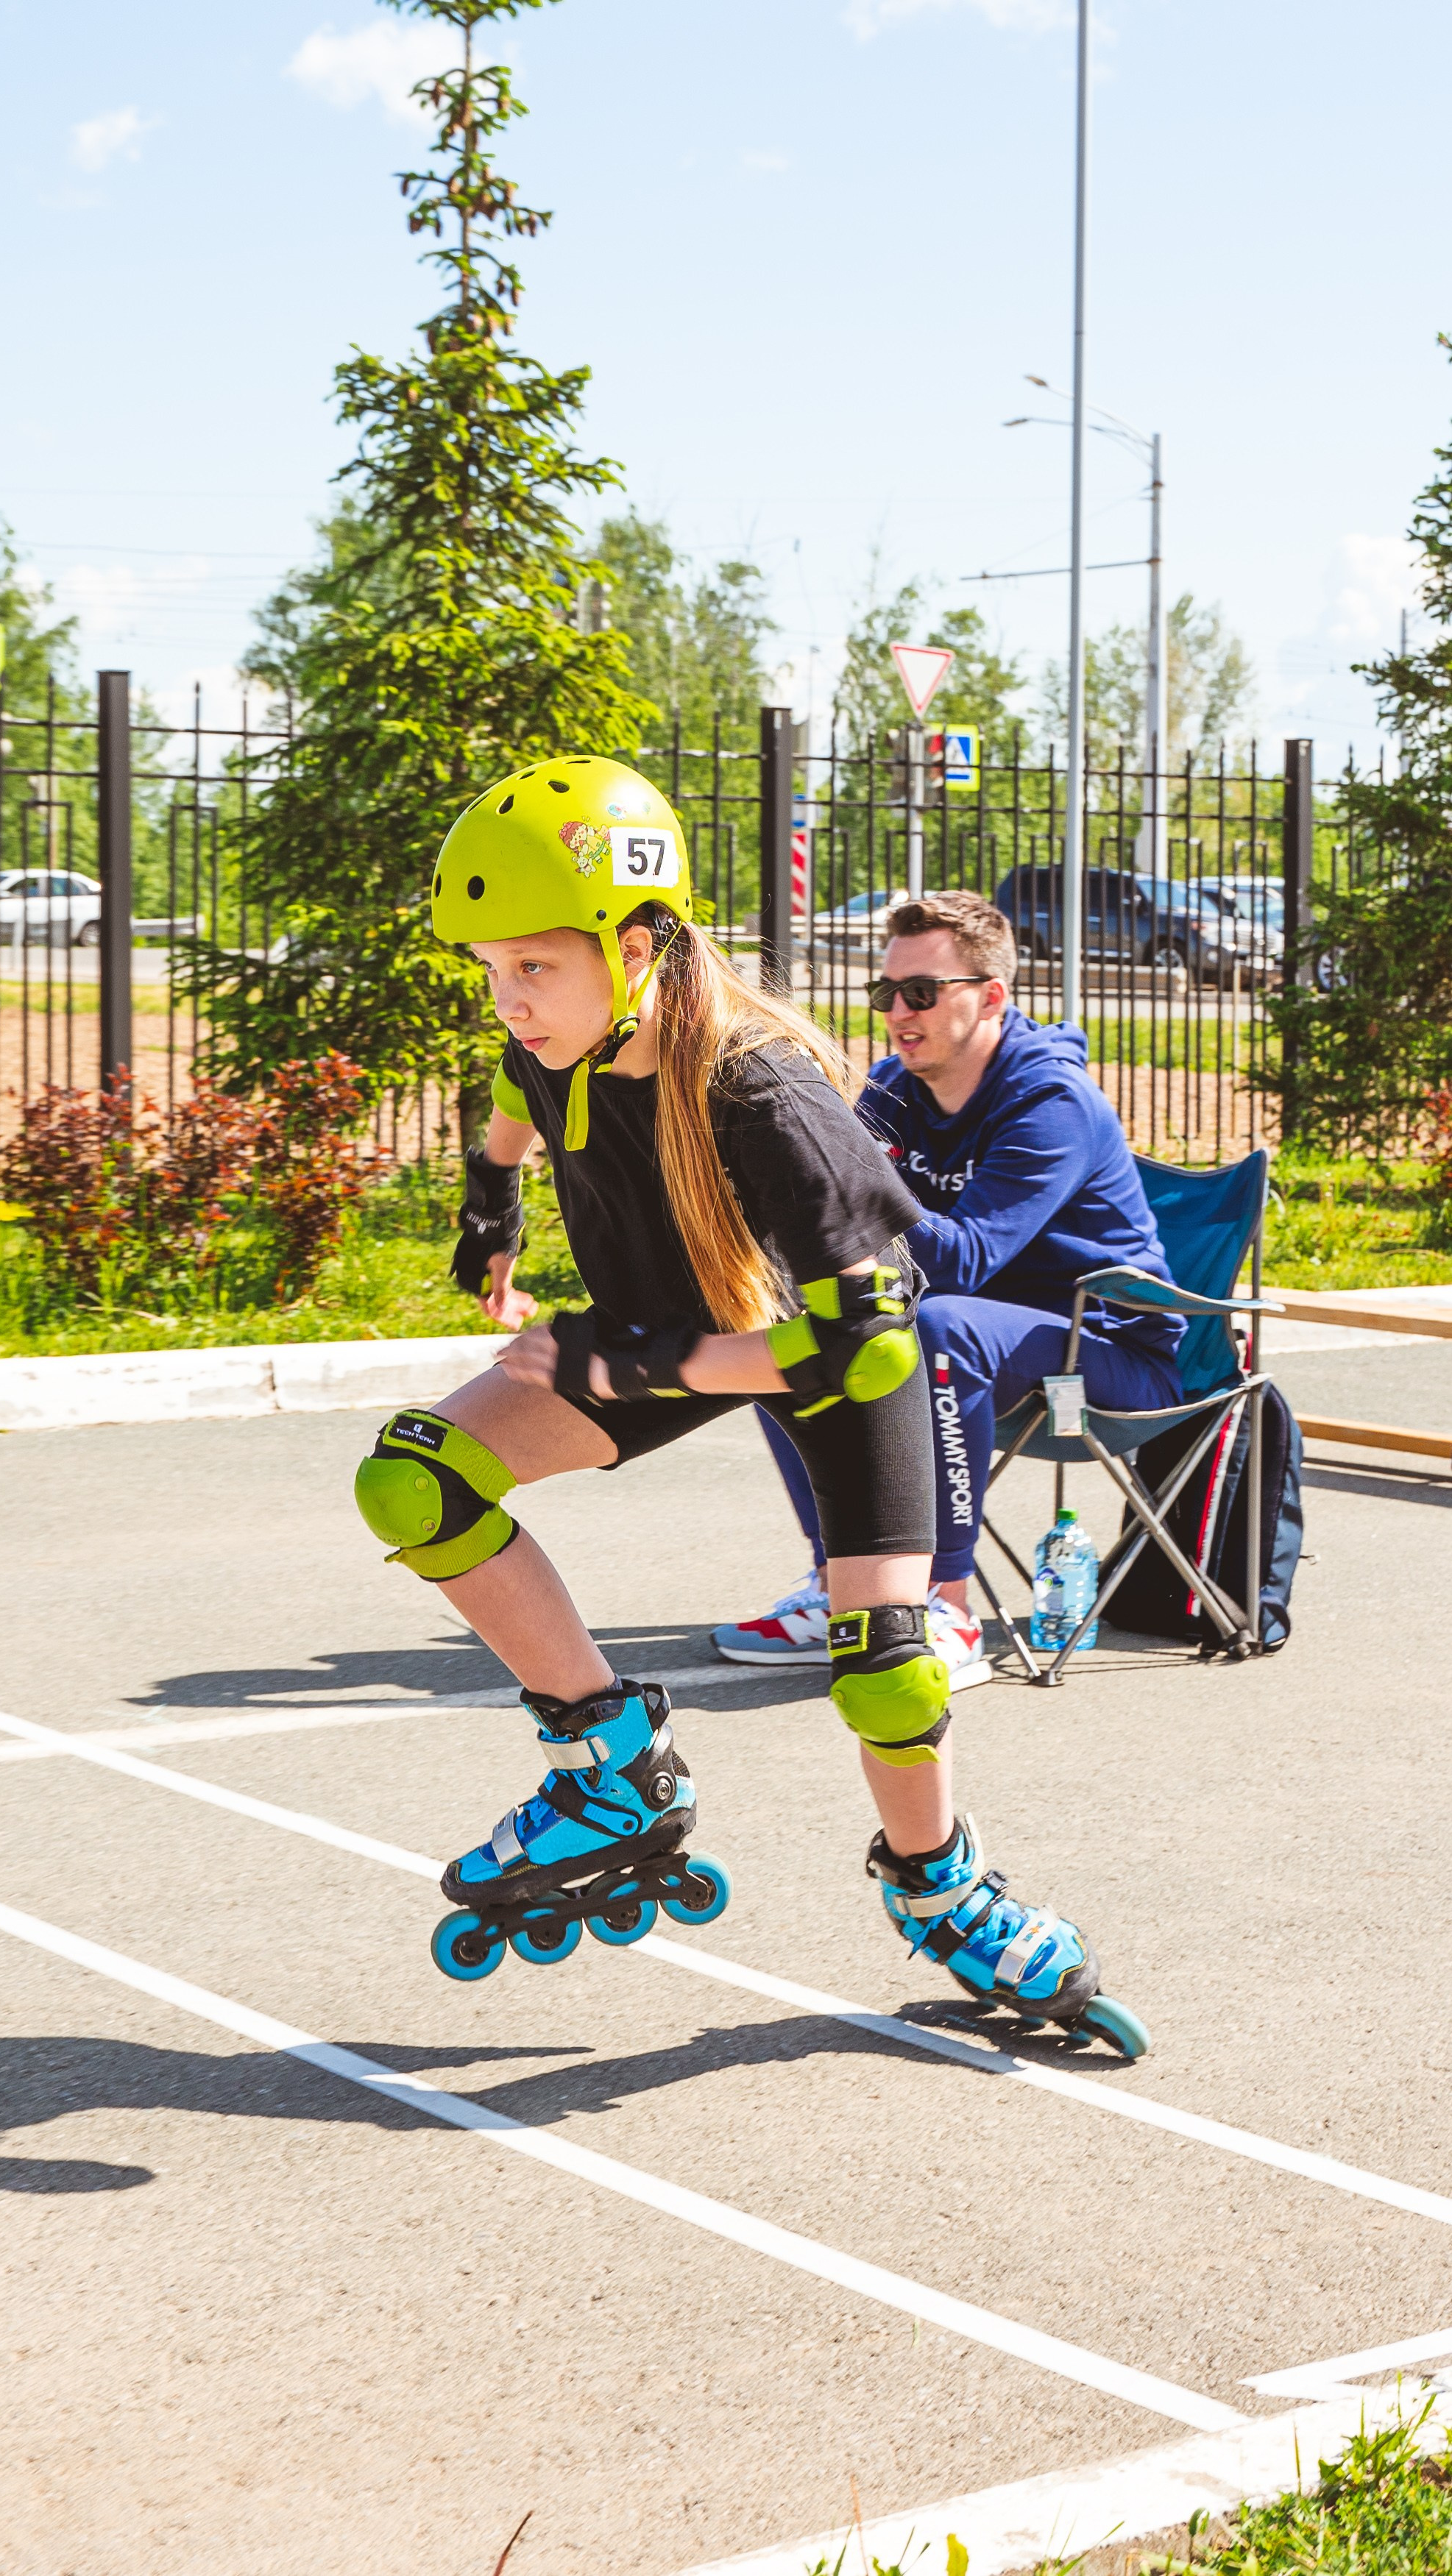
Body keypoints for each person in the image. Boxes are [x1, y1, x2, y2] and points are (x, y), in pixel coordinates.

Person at [351, 764, 1148, 2054]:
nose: (508, 1002)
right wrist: (486, 1211)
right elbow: (506, 1107)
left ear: (634, 940)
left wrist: (623, 1364)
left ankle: (940, 1884)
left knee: (886, 1672)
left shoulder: (762, 1090)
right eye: (492, 970)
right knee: (411, 1481)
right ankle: (610, 1764)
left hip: (836, 1361)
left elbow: (868, 1335)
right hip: (665, 1342)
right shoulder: (552, 1040)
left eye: (532, 970)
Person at [712, 887, 1186, 1688]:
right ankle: (843, 1583)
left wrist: (837, 1185)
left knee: (941, 1328)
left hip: (1104, 1348)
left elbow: (961, 1258)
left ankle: (945, 1605)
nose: (899, 1011)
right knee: (788, 1325)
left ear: (991, 997)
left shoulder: (1051, 1101)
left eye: (922, 993)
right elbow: (838, 1220)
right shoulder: (896, 1086)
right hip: (985, 1338)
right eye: (886, 992)